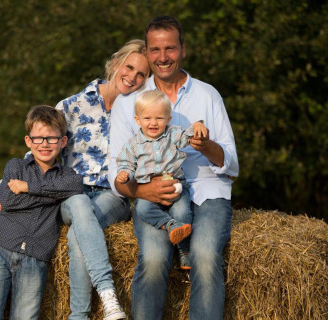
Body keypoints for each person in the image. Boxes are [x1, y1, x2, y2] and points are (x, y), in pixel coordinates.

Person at [108, 16, 239, 319]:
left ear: (183, 49)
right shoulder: (130, 104)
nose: (163, 57)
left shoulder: (208, 95)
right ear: (148, 51)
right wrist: (143, 190)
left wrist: (206, 145)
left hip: (207, 190)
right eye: (155, 50)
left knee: (205, 258)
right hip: (155, 193)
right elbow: (115, 171)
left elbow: (231, 164)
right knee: (153, 260)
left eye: (170, 48)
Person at [55, 39, 150, 320]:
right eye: (129, 67)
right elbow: (40, 146)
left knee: (78, 230)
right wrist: (6, 184)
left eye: (141, 74)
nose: (132, 77)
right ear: (116, 63)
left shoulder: (139, 114)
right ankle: (108, 297)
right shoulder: (72, 106)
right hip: (72, 193)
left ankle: (80, 316)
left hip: (113, 195)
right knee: (80, 209)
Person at [0, 105, 83, 320]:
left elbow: (76, 186)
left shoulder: (67, 175)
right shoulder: (15, 166)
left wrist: (27, 188)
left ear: (62, 142)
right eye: (38, 138)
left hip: (35, 258)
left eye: (51, 139)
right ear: (28, 141)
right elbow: (7, 200)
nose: (44, 144)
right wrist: (52, 194)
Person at [114, 90, 207, 270]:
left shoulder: (173, 135)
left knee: (182, 211)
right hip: (147, 188)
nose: (153, 123)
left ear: (168, 119)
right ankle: (171, 225)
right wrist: (124, 173)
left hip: (175, 184)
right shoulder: (133, 144)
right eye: (147, 118)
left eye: (159, 118)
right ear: (137, 120)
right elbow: (126, 163)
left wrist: (198, 125)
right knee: (142, 209)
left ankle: (185, 250)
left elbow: (189, 134)